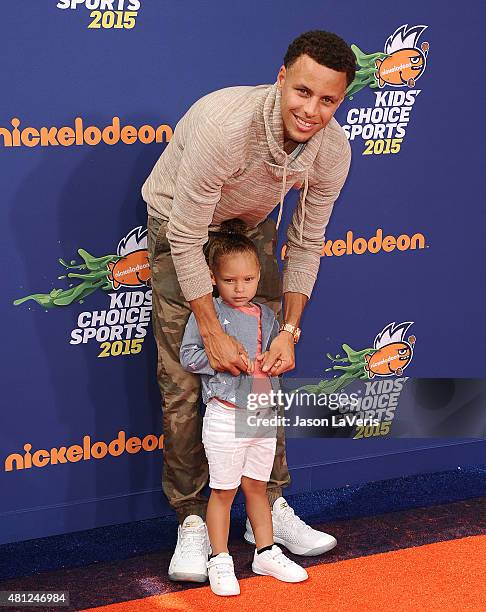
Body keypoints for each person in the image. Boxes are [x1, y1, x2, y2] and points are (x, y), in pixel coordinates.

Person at [142, 30, 356, 582]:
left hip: (249, 221)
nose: (312, 111)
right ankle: (192, 520)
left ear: (341, 100)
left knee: (263, 365)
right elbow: (188, 236)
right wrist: (211, 329)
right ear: (282, 78)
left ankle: (268, 509)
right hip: (179, 223)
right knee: (188, 378)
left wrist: (289, 327)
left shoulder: (333, 150)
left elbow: (308, 242)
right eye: (303, 92)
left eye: (328, 100)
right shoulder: (225, 128)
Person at [180, 220, 308, 596]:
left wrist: (275, 361)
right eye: (230, 280)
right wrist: (216, 360)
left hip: (261, 414)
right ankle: (218, 559)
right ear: (213, 280)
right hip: (224, 414)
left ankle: (265, 552)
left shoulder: (267, 317)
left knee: (258, 486)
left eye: (248, 280)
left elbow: (273, 357)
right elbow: (188, 356)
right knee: (223, 490)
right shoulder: (207, 316)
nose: (240, 288)